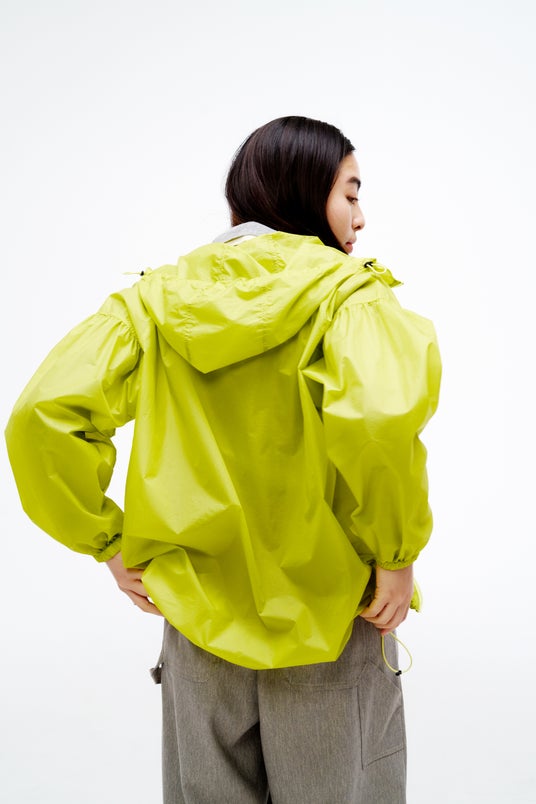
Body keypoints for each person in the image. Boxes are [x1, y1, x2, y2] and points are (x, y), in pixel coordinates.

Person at [5, 115, 441, 803]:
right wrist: (395, 553)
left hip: (197, 623)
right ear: (304, 193)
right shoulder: (349, 299)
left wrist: (107, 542)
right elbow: (379, 420)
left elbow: (42, 417)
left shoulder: (153, 304)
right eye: (350, 193)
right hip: (333, 619)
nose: (360, 216)